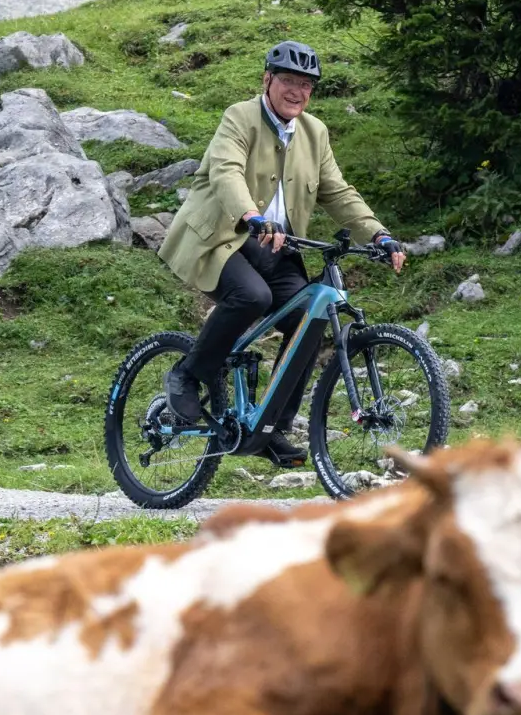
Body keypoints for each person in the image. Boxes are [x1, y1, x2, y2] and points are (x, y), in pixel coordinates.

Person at [156, 40, 406, 468]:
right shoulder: (239, 117)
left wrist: (379, 234)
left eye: (306, 84)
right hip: (223, 236)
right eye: (289, 80)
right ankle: (186, 375)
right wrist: (252, 216)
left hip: (277, 246)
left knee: (306, 321)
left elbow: (338, 193)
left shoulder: (315, 132)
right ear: (267, 80)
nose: (297, 91)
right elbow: (227, 172)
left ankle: (271, 427)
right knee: (253, 296)